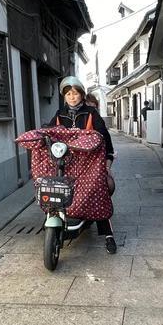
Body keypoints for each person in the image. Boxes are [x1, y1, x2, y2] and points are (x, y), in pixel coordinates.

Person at [49, 76, 117, 254]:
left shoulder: (91, 114)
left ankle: (108, 234)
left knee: (100, 190)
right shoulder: (59, 115)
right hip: (66, 164)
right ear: (64, 96)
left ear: (82, 95)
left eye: (75, 93)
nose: (72, 97)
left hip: (90, 165)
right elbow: (50, 133)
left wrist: (107, 162)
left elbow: (104, 137)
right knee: (55, 189)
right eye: (68, 94)